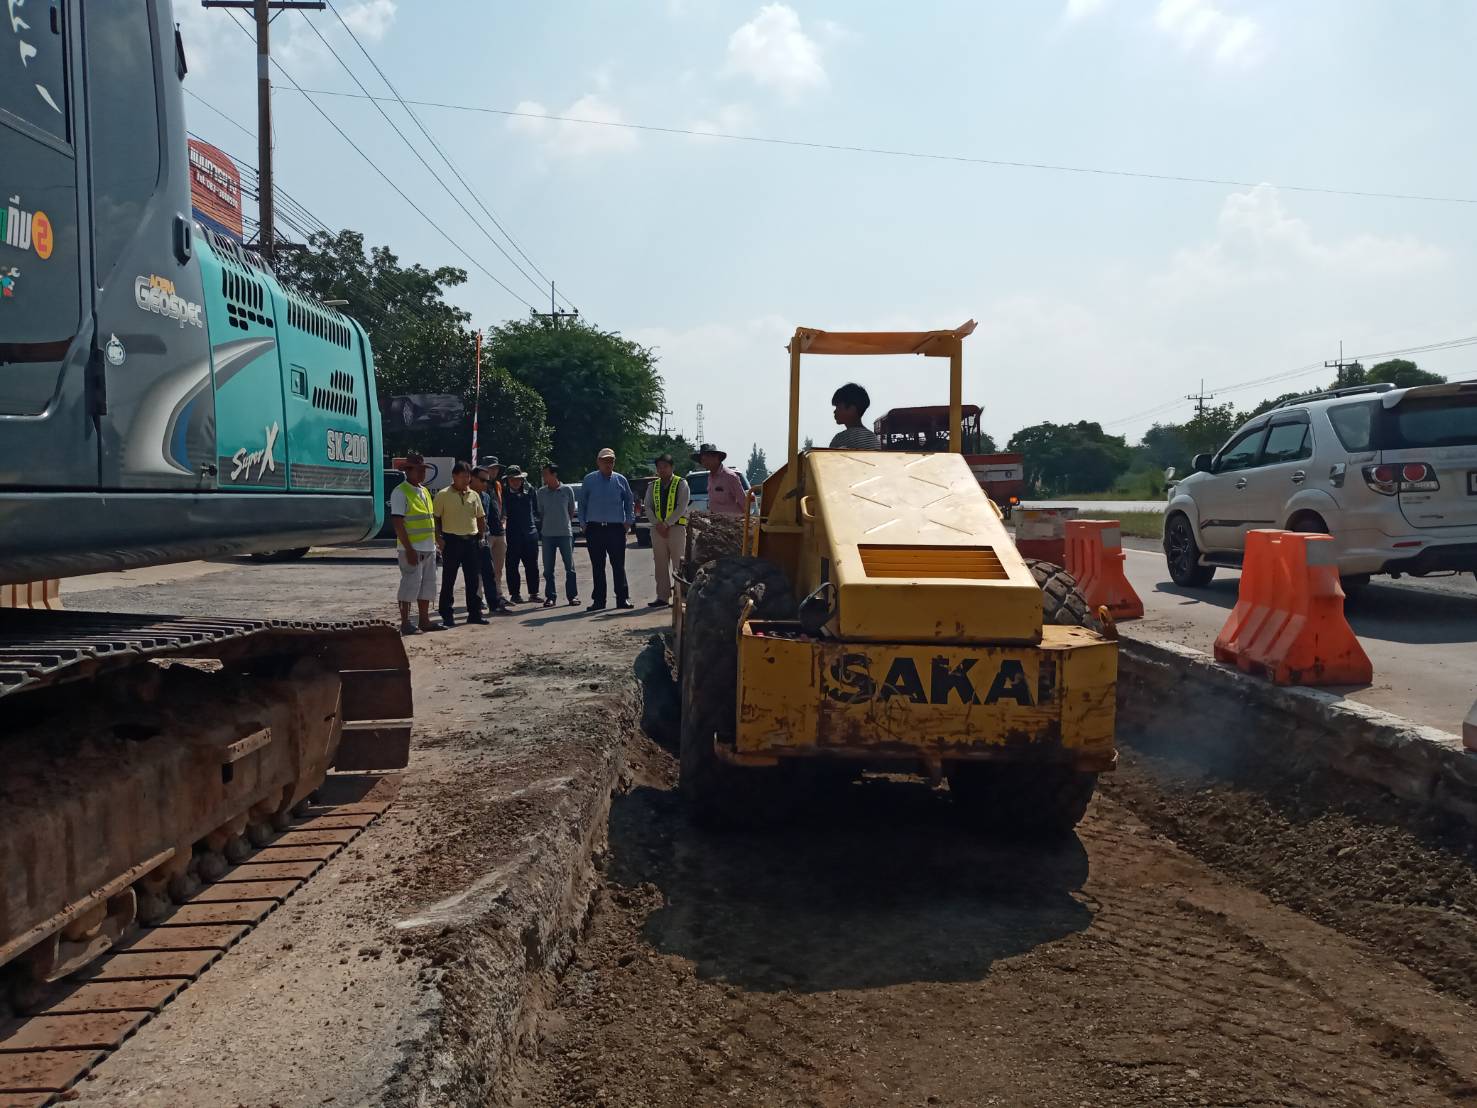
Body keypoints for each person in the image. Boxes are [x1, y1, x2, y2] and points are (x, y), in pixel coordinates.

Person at [576, 447, 635, 611]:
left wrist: (628, 522)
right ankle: (599, 601)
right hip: (594, 529)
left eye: (611, 461)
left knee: (618, 565)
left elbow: (629, 501)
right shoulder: (589, 480)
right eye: (605, 461)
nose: (608, 464)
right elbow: (582, 503)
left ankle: (622, 599)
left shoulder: (621, 480)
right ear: (598, 462)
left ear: (614, 462)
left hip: (616, 529)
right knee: (598, 566)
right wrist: (583, 523)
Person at [389, 452, 439, 635]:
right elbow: (398, 523)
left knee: (427, 586)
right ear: (408, 470)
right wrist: (409, 549)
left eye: (423, 470)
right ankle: (405, 623)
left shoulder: (424, 491)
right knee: (409, 585)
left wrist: (436, 542)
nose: (422, 473)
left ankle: (424, 620)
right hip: (411, 548)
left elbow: (429, 519)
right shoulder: (400, 491)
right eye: (418, 470)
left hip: (428, 547)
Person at [433, 461, 487, 627]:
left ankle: (475, 614)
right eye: (463, 476)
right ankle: (447, 615)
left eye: (468, 476)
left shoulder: (474, 495)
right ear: (454, 476)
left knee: (473, 580)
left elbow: (480, 517)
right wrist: (439, 538)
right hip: (451, 541)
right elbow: (435, 518)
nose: (466, 480)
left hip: (471, 541)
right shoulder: (443, 495)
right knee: (449, 580)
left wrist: (481, 536)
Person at [643, 453, 689, 608]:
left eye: (665, 466)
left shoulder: (681, 483)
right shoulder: (652, 486)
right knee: (660, 564)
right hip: (657, 530)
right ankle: (662, 596)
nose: (662, 470)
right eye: (659, 467)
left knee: (678, 564)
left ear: (672, 467)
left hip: (676, 528)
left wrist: (667, 524)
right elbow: (648, 507)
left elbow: (682, 506)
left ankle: (679, 596)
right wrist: (657, 524)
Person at [536, 462, 579, 608]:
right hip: (547, 535)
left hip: (565, 534)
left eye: (545, 474)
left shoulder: (567, 490)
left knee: (570, 567)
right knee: (548, 569)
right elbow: (541, 513)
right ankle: (550, 597)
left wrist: (564, 523)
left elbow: (571, 510)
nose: (544, 477)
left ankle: (572, 596)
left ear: (554, 474)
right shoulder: (541, 492)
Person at [470, 467, 511, 614]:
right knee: (475, 574)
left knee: (490, 572)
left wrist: (502, 523)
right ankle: (477, 603)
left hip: (486, 536)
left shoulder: (487, 495)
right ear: (472, 478)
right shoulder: (466, 495)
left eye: (487, 481)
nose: (485, 483)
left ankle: (494, 603)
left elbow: (491, 514)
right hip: (470, 538)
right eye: (482, 480)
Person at [502, 464, 542, 603]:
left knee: (532, 565)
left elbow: (536, 510)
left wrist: (536, 527)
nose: (516, 482)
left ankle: (534, 593)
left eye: (518, 479)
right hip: (512, 535)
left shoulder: (530, 490)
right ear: (508, 480)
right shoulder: (504, 493)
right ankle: (515, 594)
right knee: (512, 566)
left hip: (530, 534)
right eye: (512, 479)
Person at [478, 456, 509, 607]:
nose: (494, 471)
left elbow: (500, 505)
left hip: (499, 531)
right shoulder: (478, 485)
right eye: (491, 468)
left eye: (496, 468)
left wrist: (504, 520)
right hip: (485, 532)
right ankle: (479, 597)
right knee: (482, 568)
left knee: (498, 568)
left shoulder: (497, 485)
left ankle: (498, 594)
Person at [693, 443, 746, 516]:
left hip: (732, 520)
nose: (704, 462)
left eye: (707, 458)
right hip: (716, 519)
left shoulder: (730, 476)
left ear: (717, 458)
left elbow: (744, 502)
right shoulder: (710, 477)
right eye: (702, 460)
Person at [829, 382, 882, 449]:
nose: (835, 411)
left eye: (839, 407)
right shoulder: (873, 438)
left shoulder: (839, 439)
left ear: (852, 409)